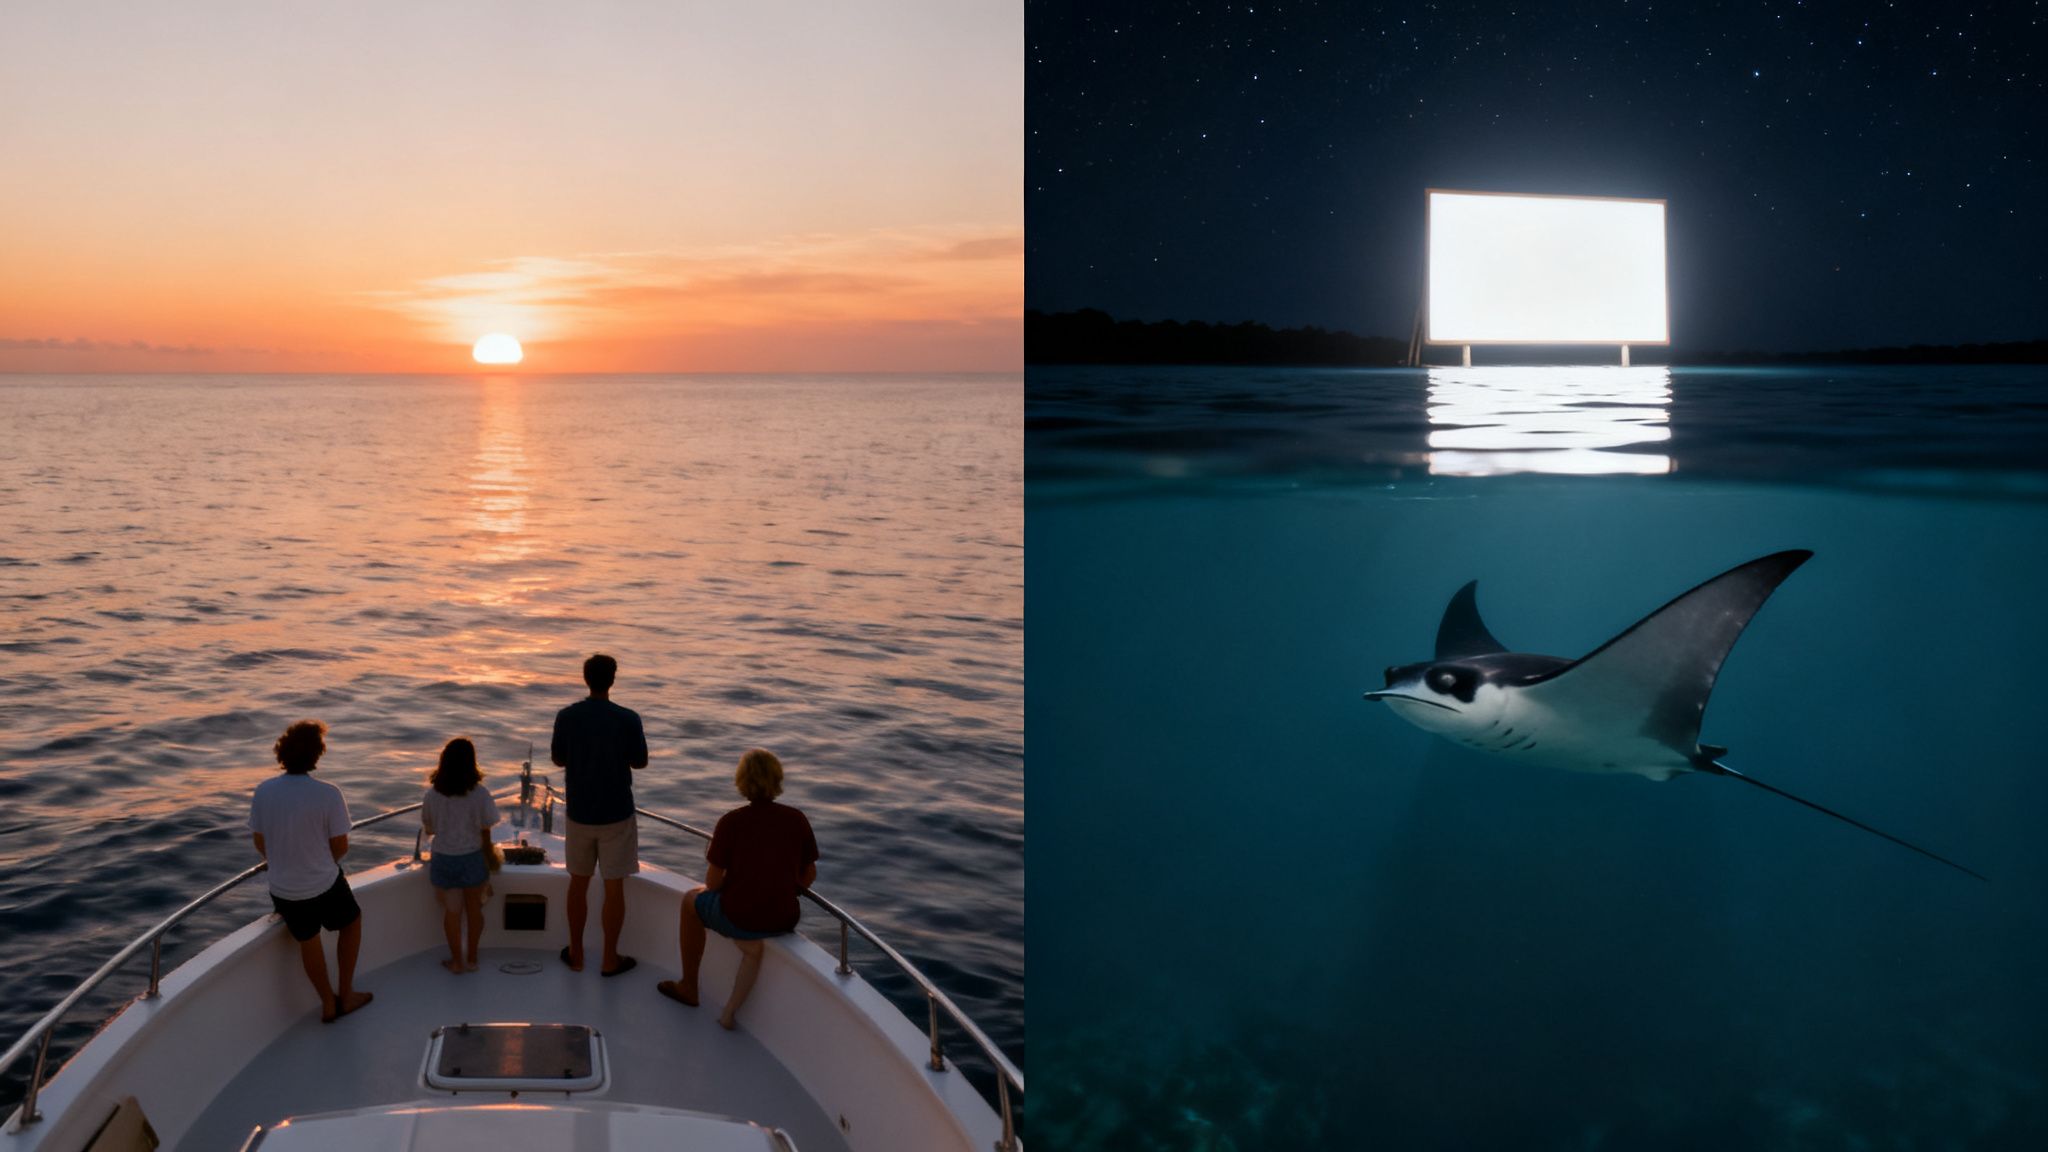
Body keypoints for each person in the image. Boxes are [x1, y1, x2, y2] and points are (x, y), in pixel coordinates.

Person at [658, 748, 819, 1030]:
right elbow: (810, 873)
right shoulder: (797, 819)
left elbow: (712, 883)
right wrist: (781, 889)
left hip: (741, 916)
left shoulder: (731, 822)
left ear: (742, 781)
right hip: (784, 917)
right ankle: (744, 952)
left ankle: (688, 986)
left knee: (690, 901)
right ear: (777, 780)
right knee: (744, 922)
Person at [249, 719, 373, 1023]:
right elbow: (340, 846)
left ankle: (327, 1004)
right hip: (323, 883)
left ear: (283, 751)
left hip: (283, 889)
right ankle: (346, 993)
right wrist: (318, 863)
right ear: (317, 755)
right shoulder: (329, 794)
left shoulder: (264, 791)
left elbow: (260, 841)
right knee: (352, 922)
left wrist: (284, 861)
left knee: (308, 939)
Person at [550, 653, 648, 976]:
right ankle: (609, 958)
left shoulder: (567, 717)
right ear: (613, 680)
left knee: (577, 884)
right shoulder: (628, 718)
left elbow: (558, 760)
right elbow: (640, 762)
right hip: (617, 813)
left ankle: (576, 953)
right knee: (614, 887)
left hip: (579, 813)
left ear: (585, 679)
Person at [421, 737, 500, 974]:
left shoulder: (433, 795)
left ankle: (457, 961)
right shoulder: (480, 793)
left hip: (444, 858)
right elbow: (487, 826)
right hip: (472, 858)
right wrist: (491, 858)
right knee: (474, 910)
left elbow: (430, 828)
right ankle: (472, 958)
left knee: (452, 911)